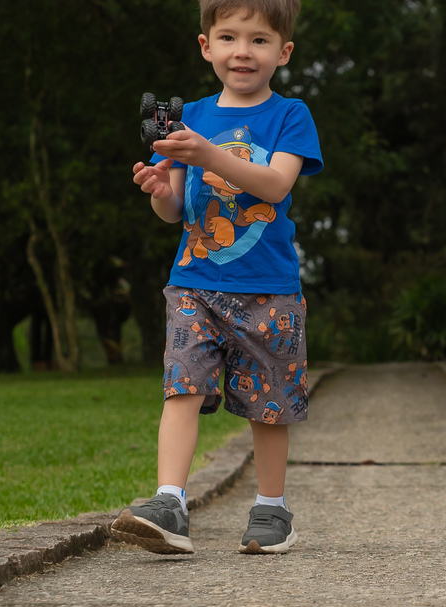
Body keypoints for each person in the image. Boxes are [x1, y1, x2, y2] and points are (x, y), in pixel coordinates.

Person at [112, 0, 321, 556]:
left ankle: (272, 511)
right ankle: (170, 502)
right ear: (206, 47)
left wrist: (206, 152)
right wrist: (160, 192)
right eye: (228, 37)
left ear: (284, 51)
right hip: (193, 285)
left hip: (269, 289)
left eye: (258, 40)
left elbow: (274, 186)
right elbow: (178, 209)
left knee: (267, 405)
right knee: (182, 386)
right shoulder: (193, 117)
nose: (242, 52)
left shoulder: (290, 116)